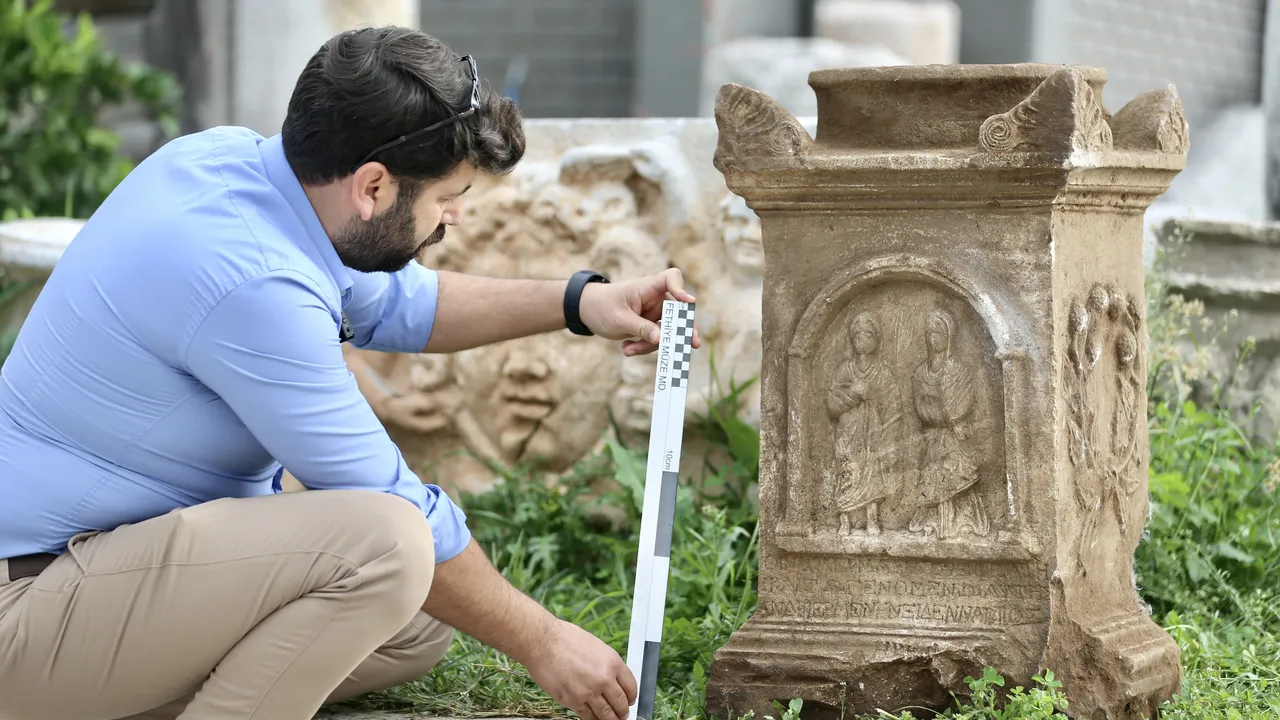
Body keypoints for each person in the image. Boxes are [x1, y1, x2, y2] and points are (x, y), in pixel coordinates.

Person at [0, 25, 698, 720]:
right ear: (372, 185)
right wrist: (547, 643)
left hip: (107, 571)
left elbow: (403, 304)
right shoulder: (251, 281)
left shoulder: (236, 169)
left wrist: (581, 301)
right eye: (446, 197)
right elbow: (385, 496)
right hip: (29, 603)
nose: (454, 215)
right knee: (391, 549)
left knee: (419, 621)